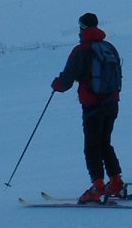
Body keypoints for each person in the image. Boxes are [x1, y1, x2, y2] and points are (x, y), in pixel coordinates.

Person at [51, 12, 125, 203]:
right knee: (105, 143)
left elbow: (67, 80)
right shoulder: (109, 47)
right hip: (112, 102)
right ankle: (116, 182)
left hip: (93, 105)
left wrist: (57, 84)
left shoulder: (81, 50)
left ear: (82, 28)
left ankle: (97, 187)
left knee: (92, 146)